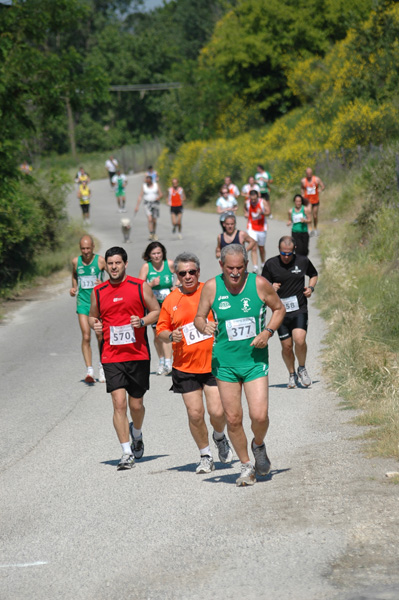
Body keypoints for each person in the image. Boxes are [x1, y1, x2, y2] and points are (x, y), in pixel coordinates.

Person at [194, 244, 285, 487]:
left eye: (240, 268)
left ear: (246, 266)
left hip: (254, 361)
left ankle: (258, 445)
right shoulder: (212, 287)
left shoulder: (259, 284)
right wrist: (203, 326)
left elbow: (279, 308)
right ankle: (246, 466)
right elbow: (199, 317)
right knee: (233, 419)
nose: (235, 273)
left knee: (259, 415)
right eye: (230, 268)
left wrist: (268, 332)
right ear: (221, 266)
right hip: (225, 364)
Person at [157, 252, 233, 473]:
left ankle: (219, 437)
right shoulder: (171, 300)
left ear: (199, 272)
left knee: (218, 413)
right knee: (195, 414)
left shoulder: (210, 290)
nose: (188, 276)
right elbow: (161, 330)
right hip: (185, 367)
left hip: (212, 363)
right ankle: (205, 455)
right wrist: (171, 337)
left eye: (192, 272)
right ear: (177, 276)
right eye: (183, 273)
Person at [89, 246, 160, 470]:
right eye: (110, 263)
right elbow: (93, 316)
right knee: (118, 403)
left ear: (125, 264)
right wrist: (95, 324)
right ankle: (126, 452)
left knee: (136, 405)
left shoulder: (139, 286)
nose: (113, 267)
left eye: (117, 263)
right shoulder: (98, 291)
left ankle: (136, 433)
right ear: (106, 265)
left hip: (137, 354)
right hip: (111, 355)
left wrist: (142, 321)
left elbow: (156, 311)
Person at [262, 236, 318, 389]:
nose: (286, 257)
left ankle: (302, 368)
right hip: (280, 312)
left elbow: (313, 274)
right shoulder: (271, 264)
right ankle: (292, 374)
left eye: (288, 253)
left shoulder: (302, 261)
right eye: (282, 253)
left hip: (299, 308)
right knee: (286, 346)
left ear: (294, 250)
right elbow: (261, 285)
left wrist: (311, 288)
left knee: (299, 340)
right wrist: (271, 287)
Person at [70, 236, 106, 384]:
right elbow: (74, 275)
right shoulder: (75, 262)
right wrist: (74, 287)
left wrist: (103, 283)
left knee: (100, 335)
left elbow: (114, 277)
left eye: (88, 249)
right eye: (83, 249)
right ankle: (89, 370)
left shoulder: (100, 261)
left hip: (98, 305)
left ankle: (102, 367)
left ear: (93, 248)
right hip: (83, 303)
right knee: (86, 336)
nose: (85, 252)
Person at [138, 242, 175, 375]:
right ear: (149, 255)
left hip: (168, 303)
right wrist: (151, 284)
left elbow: (182, 275)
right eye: (153, 254)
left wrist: (176, 285)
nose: (157, 256)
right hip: (153, 305)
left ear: (163, 253)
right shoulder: (146, 267)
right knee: (157, 334)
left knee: (167, 331)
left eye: (159, 253)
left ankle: (168, 361)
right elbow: (139, 286)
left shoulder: (169, 264)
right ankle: (161, 360)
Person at [245, 189, 269, 273]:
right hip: (251, 227)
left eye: (255, 199)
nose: (253, 201)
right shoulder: (247, 203)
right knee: (253, 246)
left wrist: (262, 212)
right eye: (252, 200)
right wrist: (246, 213)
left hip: (262, 227)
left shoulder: (263, 202)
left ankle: (263, 263)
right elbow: (245, 209)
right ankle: (255, 266)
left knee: (261, 248)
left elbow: (269, 212)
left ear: (257, 197)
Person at [135, 174, 163, 241]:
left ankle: (154, 232)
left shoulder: (156, 185)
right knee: (150, 219)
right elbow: (140, 196)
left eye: (148, 181)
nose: (147, 182)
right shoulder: (144, 186)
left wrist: (158, 197)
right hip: (147, 204)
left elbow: (161, 194)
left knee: (154, 220)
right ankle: (151, 233)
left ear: (151, 180)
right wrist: (137, 206)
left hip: (155, 203)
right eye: (146, 181)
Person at [301, 167, 325, 236]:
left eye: (310, 173)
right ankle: (309, 229)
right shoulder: (303, 181)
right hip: (307, 201)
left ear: (312, 173)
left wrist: (320, 190)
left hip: (315, 200)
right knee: (308, 215)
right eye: (307, 173)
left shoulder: (316, 179)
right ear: (306, 173)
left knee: (315, 216)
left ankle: (315, 228)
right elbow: (302, 188)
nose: (309, 175)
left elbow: (322, 186)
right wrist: (302, 194)